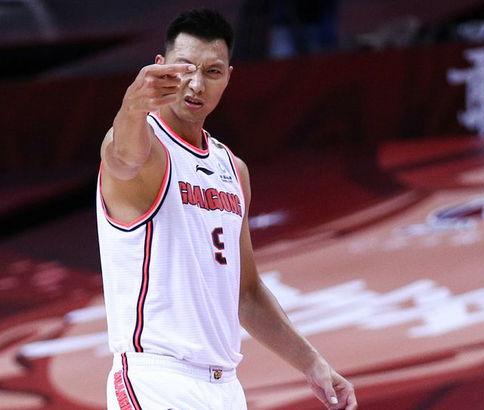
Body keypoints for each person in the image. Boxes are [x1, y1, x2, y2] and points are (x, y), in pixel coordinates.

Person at [96, 8, 357, 410]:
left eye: (212, 72)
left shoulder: (232, 169)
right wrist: (132, 107)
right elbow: (122, 159)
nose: (196, 84)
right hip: (156, 381)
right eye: (185, 68)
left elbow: (246, 294)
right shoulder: (145, 148)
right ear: (160, 67)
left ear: (229, 77)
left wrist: (312, 363)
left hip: (224, 388)